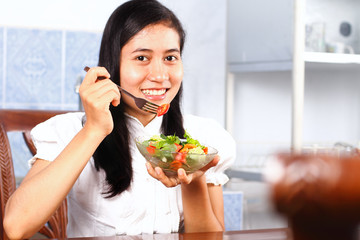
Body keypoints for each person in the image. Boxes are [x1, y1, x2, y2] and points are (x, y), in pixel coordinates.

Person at [3, 0, 235, 238]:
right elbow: (16, 227)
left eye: (170, 58)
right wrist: (93, 130)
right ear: (113, 66)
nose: (160, 75)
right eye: (142, 58)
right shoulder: (70, 130)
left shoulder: (203, 136)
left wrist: (192, 176)